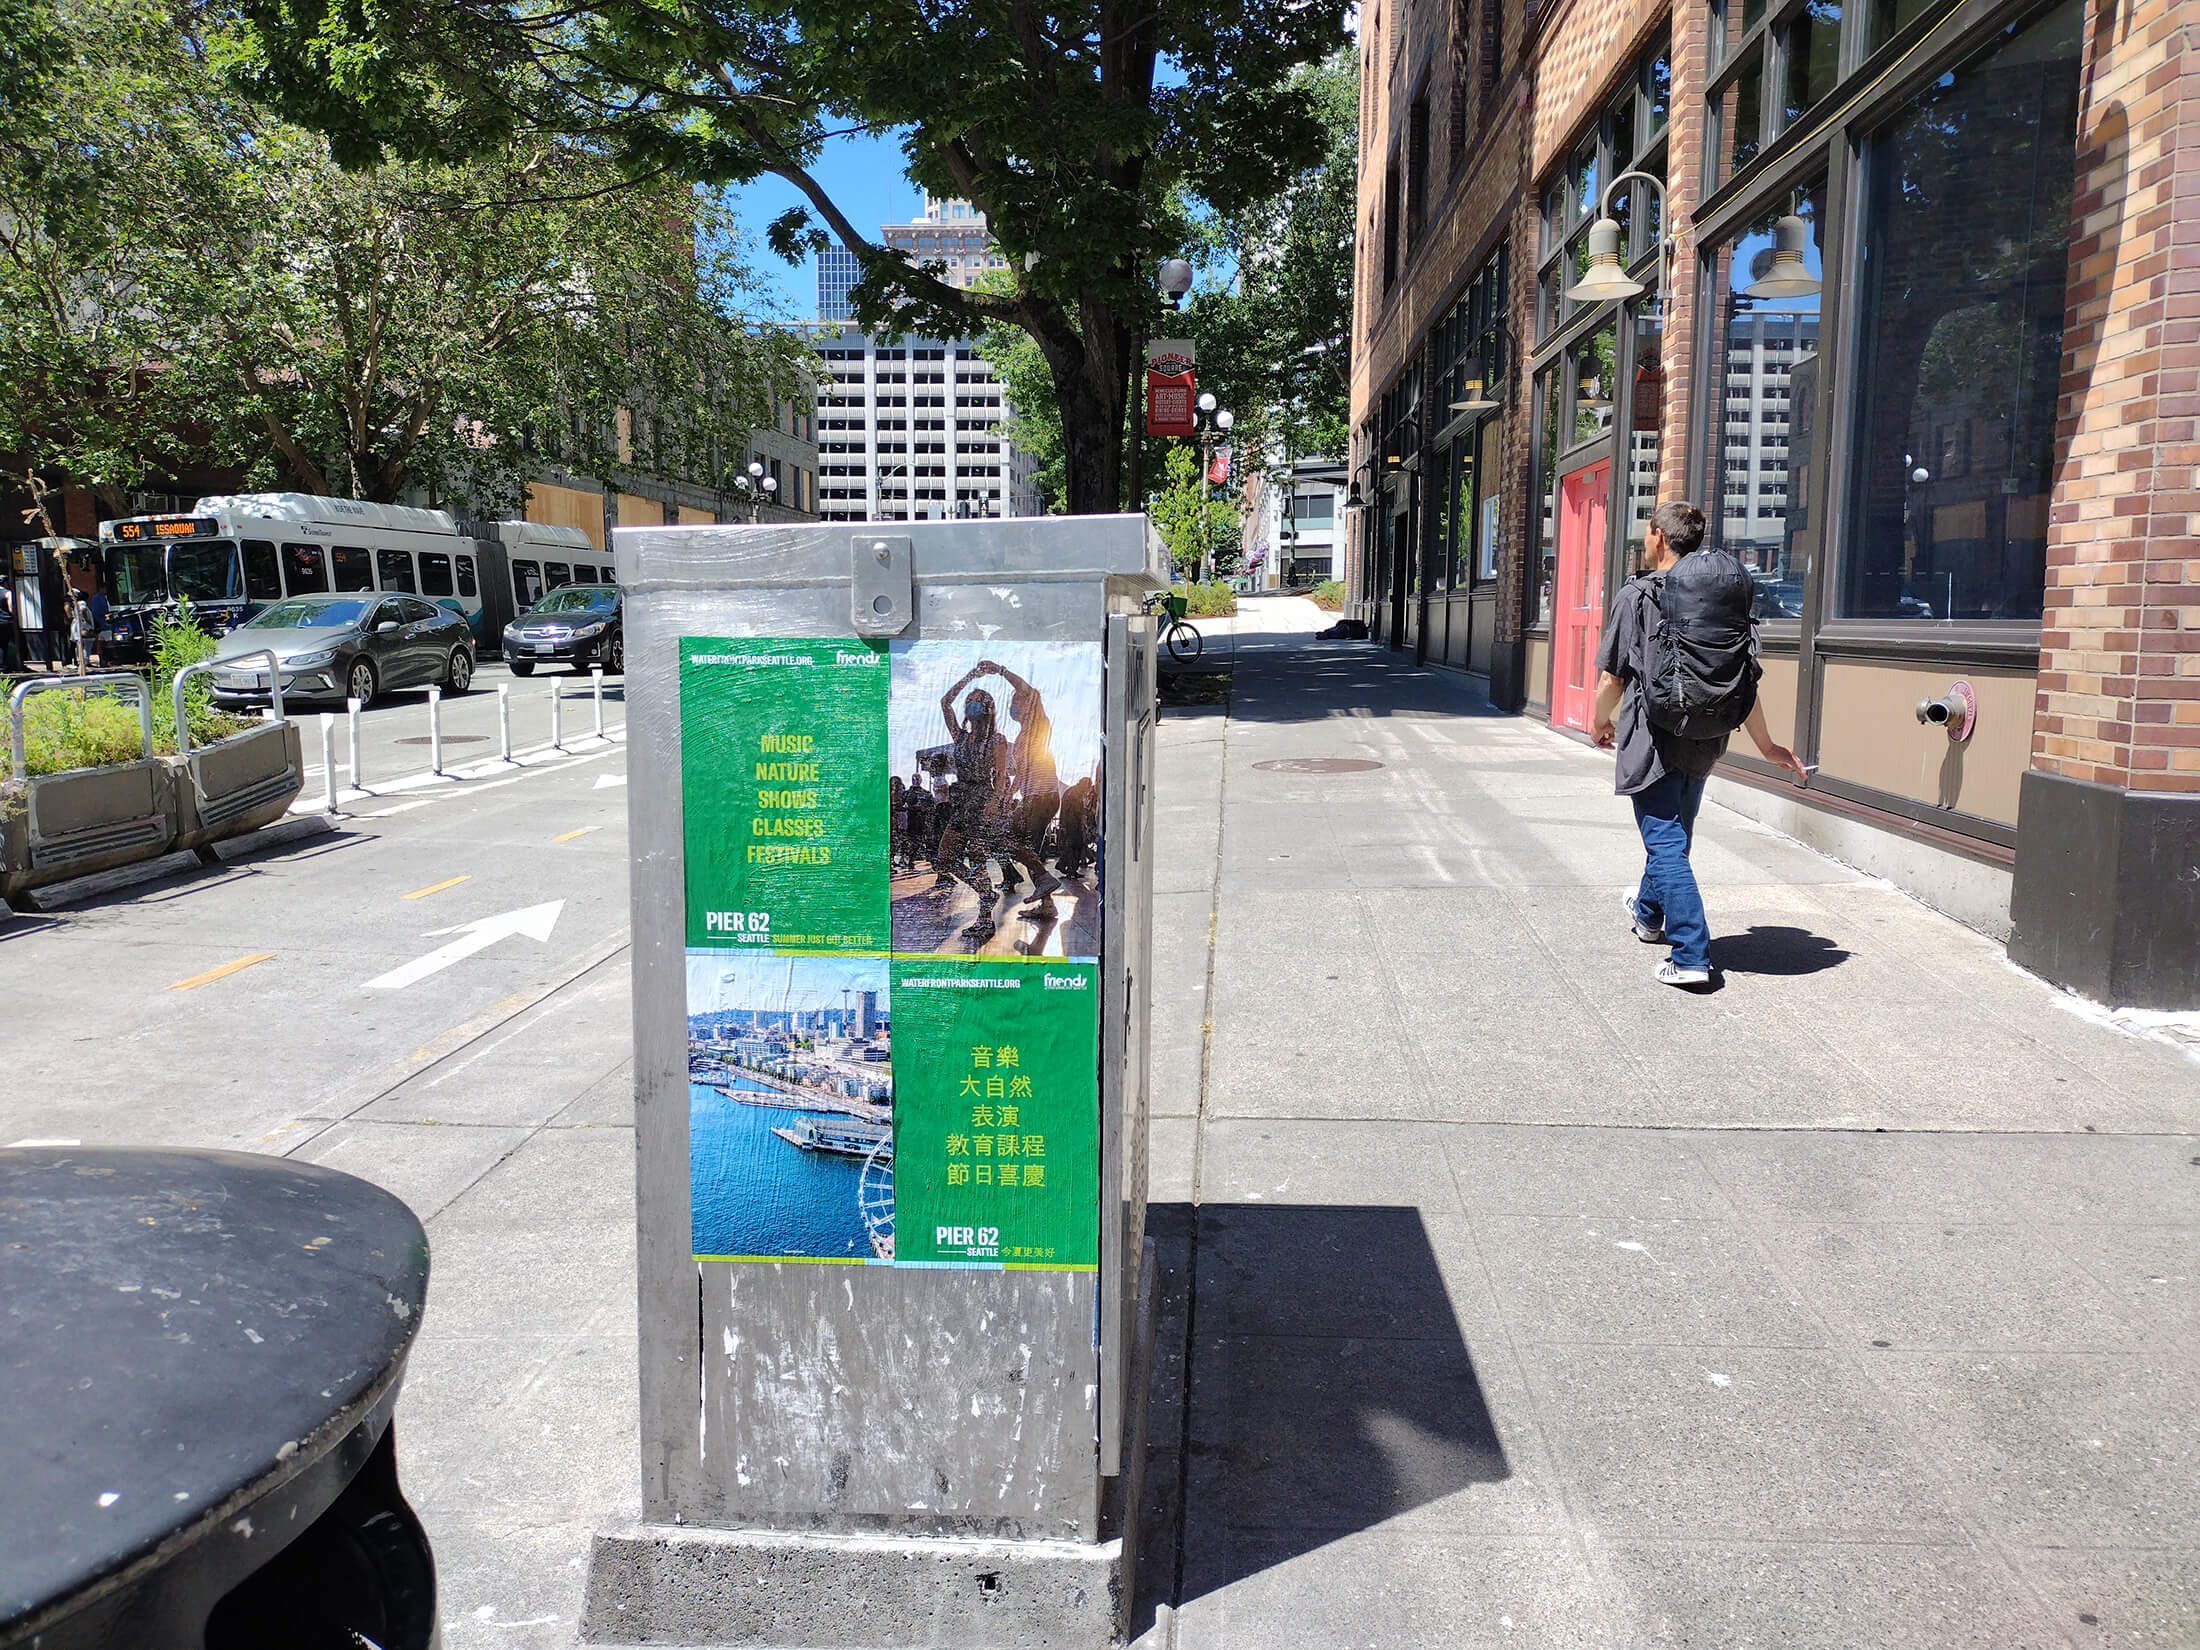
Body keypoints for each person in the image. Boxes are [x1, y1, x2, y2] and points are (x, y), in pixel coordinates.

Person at [1592, 501, 1806, 989]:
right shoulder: (1722, 601)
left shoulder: (1638, 595)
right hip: (1706, 738)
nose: (1645, 542)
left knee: (1665, 842)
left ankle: (1690, 952)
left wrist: (1599, 723)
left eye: (1647, 534)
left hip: (1653, 739)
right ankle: (1649, 914)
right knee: (1674, 836)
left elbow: (1613, 678)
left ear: (1659, 537)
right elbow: (1741, 680)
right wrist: (1768, 745)